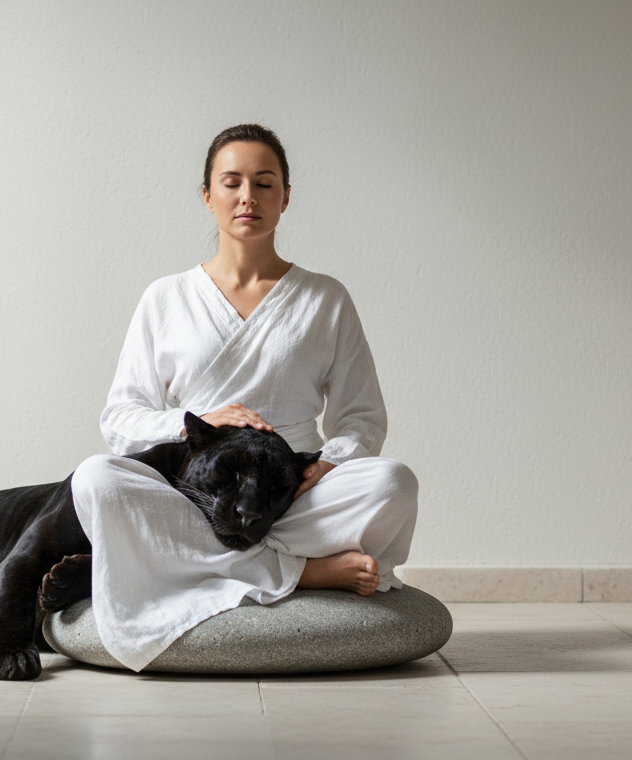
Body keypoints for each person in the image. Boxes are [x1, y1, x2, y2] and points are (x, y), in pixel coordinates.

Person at [70, 124, 419, 672]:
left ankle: (203, 564)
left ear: (285, 197)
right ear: (207, 195)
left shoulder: (325, 297)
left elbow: (362, 416)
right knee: (97, 478)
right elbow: (120, 418)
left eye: (264, 183)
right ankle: (302, 571)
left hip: (294, 497)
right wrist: (200, 421)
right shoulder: (165, 297)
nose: (247, 197)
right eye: (231, 182)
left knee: (394, 482)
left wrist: (328, 465)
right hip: (199, 499)